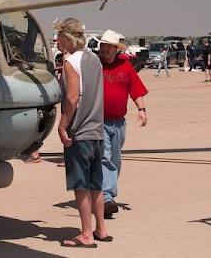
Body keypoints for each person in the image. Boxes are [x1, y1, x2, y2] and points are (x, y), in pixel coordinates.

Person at [54, 18, 108, 248]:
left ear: (68, 38)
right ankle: (100, 229)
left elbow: (72, 98)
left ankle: (86, 234)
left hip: (81, 130)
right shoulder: (94, 59)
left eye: (60, 37)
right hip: (97, 130)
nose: (58, 41)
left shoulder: (70, 62)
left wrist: (63, 125)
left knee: (80, 184)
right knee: (96, 183)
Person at [97, 30, 148, 218]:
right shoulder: (94, 66)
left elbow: (135, 90)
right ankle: (107, 198)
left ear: (115, 49)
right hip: (99, 122)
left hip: (118, 123)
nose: (104, 50)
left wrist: (142, 110)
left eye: (108, 47)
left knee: (115, 160)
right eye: (102, 46)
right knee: (105, 157)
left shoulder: (125, 66)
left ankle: (105, 194)